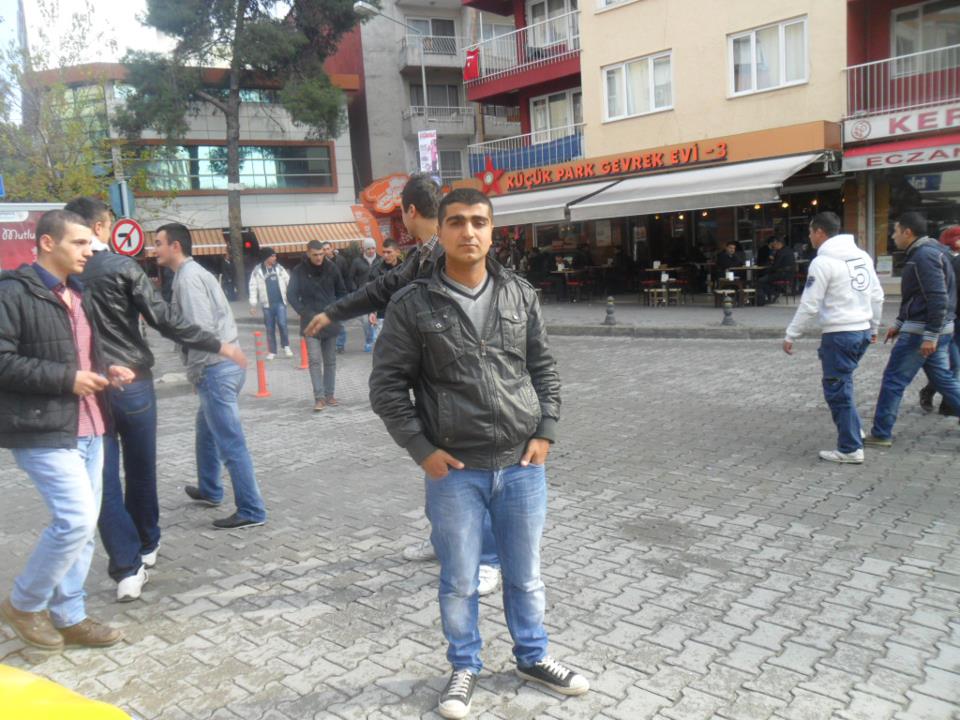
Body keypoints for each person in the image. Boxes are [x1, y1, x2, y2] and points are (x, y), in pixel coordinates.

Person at [370, 188, 589, 719]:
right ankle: (464, 666)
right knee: (460, 580)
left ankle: (533, 657)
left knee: (525, 574)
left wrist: (546, 431)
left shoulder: (520, 294)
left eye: (479, 222)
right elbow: (387, 387)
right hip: (454, 471)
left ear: (492, 232)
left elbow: (544, 368)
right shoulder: (412, 305)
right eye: (457, 222)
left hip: (522, 466)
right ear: (440, 231)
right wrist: (422, 450)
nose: (468, 231)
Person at [70, 197, 247, 602]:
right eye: (109, 223)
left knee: (101, 479)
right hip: (132, 381)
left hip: (86, 386)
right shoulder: (120, 267)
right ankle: (147, 543)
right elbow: (165, 320)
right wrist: (218, 344)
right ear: (99, 227)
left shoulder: (61, 274)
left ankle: (126, 567)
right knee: (140, 469)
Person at [0, 209, 134, 650]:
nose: (89, 250)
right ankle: (24, 603)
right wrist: (67, 379)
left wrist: (105, 370)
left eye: (89, 243)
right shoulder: (12, 292)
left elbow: (79, 354)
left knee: (85, 525)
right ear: (47, 243)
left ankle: (69, 615)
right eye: (78, 242)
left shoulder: (78, 292)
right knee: (74, 521)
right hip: (43, 428)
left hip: (91, 425)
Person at [154, 223, 268, 529]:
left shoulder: (188, 280)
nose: (155, 249)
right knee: (205, 429)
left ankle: (252, 509)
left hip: (216, 368)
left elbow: (200, 331)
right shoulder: (192, 274)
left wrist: (197, 371)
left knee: (230, 442)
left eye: (159, 243)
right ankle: (209, 488)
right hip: (221, 365)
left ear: (175, 246)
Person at [782, 212, 884, 463]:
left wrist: (792, 333)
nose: (809, 237)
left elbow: (810, 304)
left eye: (810, 232)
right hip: (861, 329)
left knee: (837, 390)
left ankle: (850, 448)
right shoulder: (862, 256)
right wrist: (874, 327)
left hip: (839, 333)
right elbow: (877, 295)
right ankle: (854, 431)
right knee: (844, 383)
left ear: (819, 232)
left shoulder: (822, 262)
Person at [865, 212, 960, 447]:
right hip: (932, 330)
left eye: (895, 231)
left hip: (922, 333)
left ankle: (881, 433)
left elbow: (937, 297)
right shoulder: (931, 252)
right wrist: (899, 323)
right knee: (945, 380)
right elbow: (916, 296)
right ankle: (881, 432)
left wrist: (930, 335)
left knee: (894, 381)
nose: (893, 236)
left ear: (908, 232)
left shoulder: (924, 256)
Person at [287, 240, 347, 412]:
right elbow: (291, 294)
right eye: (315, 255)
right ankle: (319, 398)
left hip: (329, 320)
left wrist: (335, 311)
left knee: (330, 361)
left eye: (321, 254)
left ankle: (329, 394)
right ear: (308, 253)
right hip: (310, 321)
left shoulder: (332, 268)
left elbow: (342, 292)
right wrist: (303, 311)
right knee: (314, 360)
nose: (319, 257)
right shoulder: (299, 271)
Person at [917, 225, 960, 416]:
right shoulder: (947, 259)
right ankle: (948, 403)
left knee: (949, 365)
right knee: (952, 364)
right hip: (949, 319)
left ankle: (935, 395)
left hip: (952, 318)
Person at [248, 247, 292, 360]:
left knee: (282, 324)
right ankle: (272, 351)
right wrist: (253, 305)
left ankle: (286, 346)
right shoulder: (257, 271)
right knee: (269, 328)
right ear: (266, 257)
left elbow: (288, 281)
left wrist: (292, 296)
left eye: (275, 256)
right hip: (267, 305)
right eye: (272, 256)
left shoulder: (279, 268)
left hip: (280, 302)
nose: (275, 258)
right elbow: (253, 287)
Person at [350, 239, 380, 352]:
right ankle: (369, 341)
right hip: (363, 295)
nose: (371, 251)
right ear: (363, 249)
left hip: (378, 294)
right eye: (368, 249)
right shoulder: (357, 262)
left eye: (373, 248)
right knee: (365, 321)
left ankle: (378, 341)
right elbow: (351, 278)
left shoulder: (381, 259)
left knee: (379, 320)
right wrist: (355, 290)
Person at [322, 242, 350, 353]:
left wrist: (347, 293)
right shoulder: (321, 263)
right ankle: (329, 344)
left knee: (340, 322)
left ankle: (340, 345)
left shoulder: (341, 260)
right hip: (327, 295)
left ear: (332, 248)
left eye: (327, 248)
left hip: (339, 294)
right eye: (324, 249)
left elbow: (347, 276)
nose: (326, 251)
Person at [758, 237, 797, 305]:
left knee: (760, 281)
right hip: (790, 275)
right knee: (766, 279)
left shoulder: (780, 252)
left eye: (774, 244)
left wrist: (767, 271)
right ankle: (774, 293)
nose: (773, 246)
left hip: (781, 274)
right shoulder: (789, 250)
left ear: (779, 244)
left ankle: (769, 296)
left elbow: (775, 266)